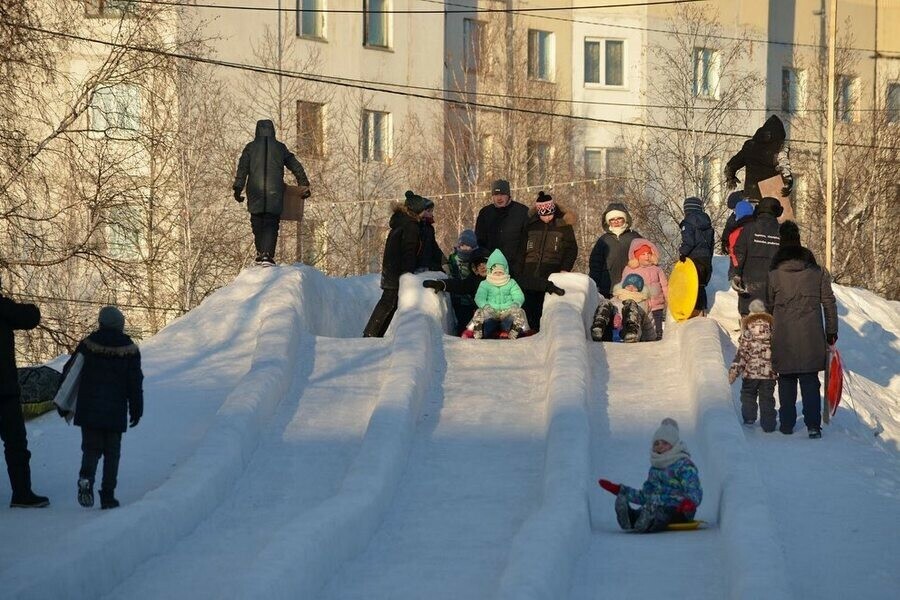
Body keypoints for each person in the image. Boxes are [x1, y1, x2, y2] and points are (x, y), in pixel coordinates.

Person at [59, 306, 143, 509]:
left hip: (89, 409)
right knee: (112, 453)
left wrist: (62, 400)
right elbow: (135, 381)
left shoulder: (88, 345)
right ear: (120, 325)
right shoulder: (129, 348)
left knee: (91, 448)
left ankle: (86, 477)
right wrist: (136, 408)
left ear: (101, 323)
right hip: (115, 411)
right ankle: (108, 496)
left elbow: (70, 370)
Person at [768, 221, 838, 439]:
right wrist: (831, 332)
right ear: (799, 240)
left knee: (786, 379)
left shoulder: (774, 274)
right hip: (811, 335)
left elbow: (769, 303)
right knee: (809, 380)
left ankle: (787, 424)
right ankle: (813, 426)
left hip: (784, 336)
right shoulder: (817, 273)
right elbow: (829, 302)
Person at [598, 418, 702, 533]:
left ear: (674, 444)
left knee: (660, 512)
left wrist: (689, 502)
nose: (660, 446)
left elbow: (694, 489)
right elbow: (645, 495)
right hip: (654, 506)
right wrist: (620, 490)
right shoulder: (655, 468)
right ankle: (630, 518)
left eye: (665, 443)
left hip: (681, 509)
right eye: (656, 443)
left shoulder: (684, 465)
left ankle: (648, 521)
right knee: (646, 509)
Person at [233, 119, 310, 265]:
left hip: (255, 191)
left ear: (257, 130)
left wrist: (238, 187)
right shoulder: (280, 148)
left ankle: (261, 253)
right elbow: (295, 165)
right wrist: (303, 184)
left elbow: (242, 169)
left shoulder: (250, 147)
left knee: (257, 221)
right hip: (275, 191)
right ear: (272, 130)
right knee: (271, 222)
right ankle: (267, 255)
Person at [0, 280, 48, 508]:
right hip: (6, 391)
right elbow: (31, 316)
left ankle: (22, 494)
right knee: (16, 444)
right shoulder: (4, 309)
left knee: (16, 443)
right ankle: (22, 493)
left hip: (7, 390)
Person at [363, 191, 430, 337]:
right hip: (397, 271)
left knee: (389, 303)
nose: (426, 213)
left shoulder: (401, 222)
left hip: (391, 269)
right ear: (417, 210)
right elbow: (408, 252)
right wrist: (407, 274)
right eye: (424, 210)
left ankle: (374, 334)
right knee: (388, 303)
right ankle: (371, 334)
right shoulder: (411, 226)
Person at [516, 191, 574, 331]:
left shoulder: (563, 226)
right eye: (544, 215)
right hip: (529, 272)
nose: (547, 217)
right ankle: (528, 331)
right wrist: (519, 268)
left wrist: (565, 268)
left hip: (551, 272)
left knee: (545, 306)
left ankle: (545, 331)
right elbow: (521, 248)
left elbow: (571, 249)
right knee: (528, 305)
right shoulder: (530, 225)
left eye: (549, 214)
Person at [589, 203, 642, 340]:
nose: (616, 222)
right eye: (612, 220)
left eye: (619, 219)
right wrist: (594, 282)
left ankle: (631, 332)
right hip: (608, 283)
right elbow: (595, 262)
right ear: (608, 222)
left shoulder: (634, 237)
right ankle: (603, 335)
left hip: (630, 283)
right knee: (607, 309)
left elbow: (644, 255)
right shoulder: (604, 240)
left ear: (625, 219)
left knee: (630, 308)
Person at [728, 299, 778, 432]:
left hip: (751, 373)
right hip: (768, 374)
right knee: (767, 399)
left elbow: (742, 354)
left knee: (748, 395)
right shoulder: (773, 331)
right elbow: (779, 351)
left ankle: (749, 418)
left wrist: (734, 371)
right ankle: (769, 425)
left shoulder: (747, 331)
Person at [732, 197, 783, 317]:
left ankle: (746, 332)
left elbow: (739, 252)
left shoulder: (748, 229)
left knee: (748, 317)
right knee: (771, 318)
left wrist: (737, 273)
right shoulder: (783, 231)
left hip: (749, 283)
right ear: (778, 212)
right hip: (774, 284)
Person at [724, 114, 793, 202]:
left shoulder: (750, 146)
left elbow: (731, 166)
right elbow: (784, 167)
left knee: (750, 215)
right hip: (771, 198)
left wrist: (731, 178)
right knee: (771, 214)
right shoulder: (779, 148)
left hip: (751, 195)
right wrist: (788, 184)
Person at [465, 249, 529, 339]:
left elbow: (518, 295)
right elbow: (479, 298)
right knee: (479, 313)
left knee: (520, 312)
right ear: (490, 271)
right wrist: (485, 306)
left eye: (501, 272)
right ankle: (475, 330)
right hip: (491, 311)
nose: (498, 274)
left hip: (507, 311)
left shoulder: (511, 282)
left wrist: (516, 304)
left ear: (505, 271)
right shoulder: (485, 283)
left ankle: (519, 330)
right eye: (496, 272)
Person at [423, 248, 489, 335]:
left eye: (484, 263)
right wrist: (442, 284)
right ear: (474, 268)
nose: (482, 267)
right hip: (483, 315)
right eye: (478, 265)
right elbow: (460, 285)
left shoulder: (502, 278)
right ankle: (470, 334)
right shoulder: (474, 280)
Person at [474, 179, 530, 276]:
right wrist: (487, 260)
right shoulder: (485, 213)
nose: (499, 198)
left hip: (516, 267)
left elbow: (527, 239)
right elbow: (480, 240)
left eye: (502, 194)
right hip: (493, 267)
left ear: (508, 195)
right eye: (496, 195)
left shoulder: (522, 212)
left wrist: (520, 263)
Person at [620, 238, 668, 339]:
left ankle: (658, 336)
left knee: (657, 328)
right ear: (636, 256)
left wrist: (669, 298)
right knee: (642, 323)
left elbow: (664, 285)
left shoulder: (657, 269)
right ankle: (639, 337)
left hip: (657, 304)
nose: (646, 256)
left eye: (649, 253)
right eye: (643, 254)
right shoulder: (629, 270)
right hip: (640, 304)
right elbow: (624, 286)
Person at [591, 273, 657, 343]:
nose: (631, 289)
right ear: (624, 286)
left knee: (631, 303)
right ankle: (598, 328)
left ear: (639, 289)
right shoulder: (615, 299)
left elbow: (649, 325)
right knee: (605, 302)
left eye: (635, 287)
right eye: (628, 286)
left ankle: (631, 332)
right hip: (611, 332)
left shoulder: (643, 303)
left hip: (630, 333)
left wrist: (650, 340)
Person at [678, 197, 715, 315]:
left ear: (686, 209)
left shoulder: (688, 223)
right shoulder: (707, 223)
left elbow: (689, 241)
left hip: (694, 259)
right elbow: (711, 244)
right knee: (701, 285)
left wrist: (683, 253)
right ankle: (702, 310)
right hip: (706, 259)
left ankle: (693, 311)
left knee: (692, 285)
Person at [721, 200, 756, 280]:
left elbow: (733, 250)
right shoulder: (758, 228)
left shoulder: (736, 230)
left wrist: (737, 269)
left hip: (739, 268)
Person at [415, 200, 445, 273]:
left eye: (432, 211)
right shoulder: (416, 227)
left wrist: (443, 261)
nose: (431, 214)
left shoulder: (429, 227)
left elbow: (434, 246)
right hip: (417, 265)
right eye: (428, 211)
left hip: (427, 264)